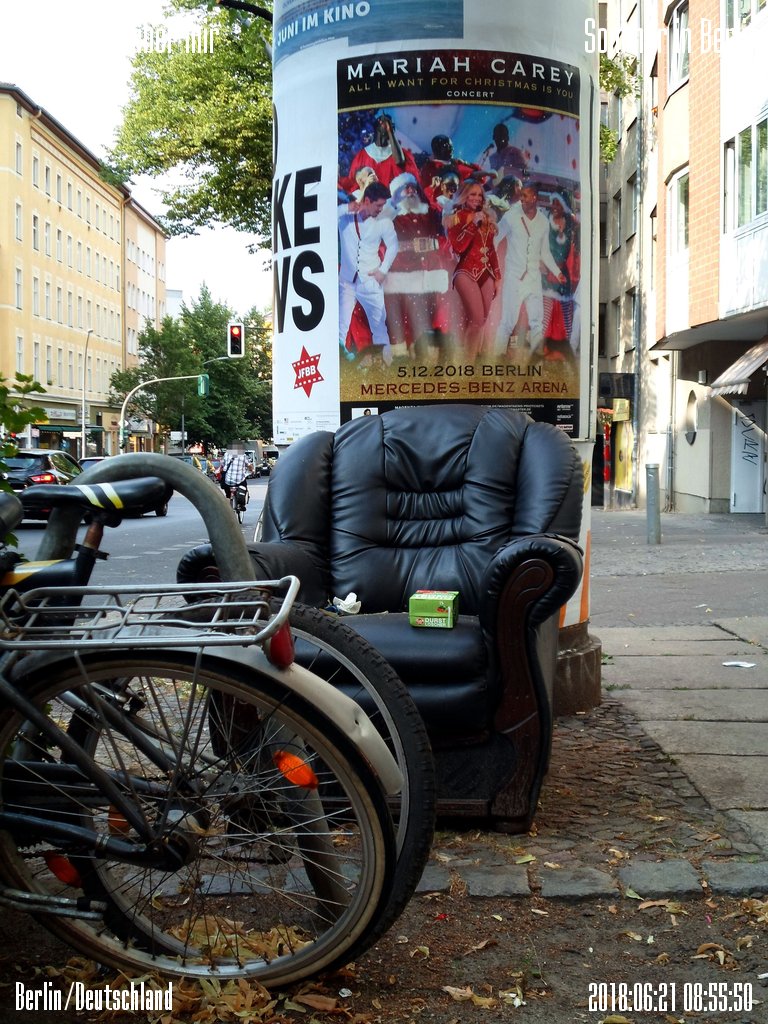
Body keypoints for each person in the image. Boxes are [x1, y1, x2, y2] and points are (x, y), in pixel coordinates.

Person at [382, 173, 450, 358]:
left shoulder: (431, 213)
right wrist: (407, 246)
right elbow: (381, 248)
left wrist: (432, 244)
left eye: (413, 187)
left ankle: (428, 357)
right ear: (396, 194)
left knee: (431, 319)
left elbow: (446, 240)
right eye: (406, 188)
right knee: (407, 321)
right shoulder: (389, 219)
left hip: (432, 275)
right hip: (402, 277)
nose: (411, 191)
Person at [494, 183, 565, 359]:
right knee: (507, 322)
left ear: (534, 198)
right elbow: (495, 238)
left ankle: (536, 361)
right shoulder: (511, 216)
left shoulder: (543, 222)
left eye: (525, 196)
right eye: (520, 195)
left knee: (537, 323)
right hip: (514, 278)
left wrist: (557, 272)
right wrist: (490, 265)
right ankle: (497, 358)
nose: (521, 199)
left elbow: (545, 252)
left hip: (533, 279)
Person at [338, 181, 399, 366]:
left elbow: (393, 246)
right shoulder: (345, 217)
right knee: (341, 325)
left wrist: (383, 270)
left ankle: (387, 365)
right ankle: (340, 365)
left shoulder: (384, 222)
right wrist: (346, 207)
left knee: (379, 326)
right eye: (378, 205)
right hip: (347, 281)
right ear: (366, 201)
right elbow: (325, 217)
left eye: (383, 205)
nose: (381, 209)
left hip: (370, 281)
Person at [444, 179, 501, 360]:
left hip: (487, 273)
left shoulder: (487, 217)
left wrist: (497, 277)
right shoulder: (455, 218)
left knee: (482, 321)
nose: (477, 198)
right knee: (476, 319)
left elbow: (491, 250)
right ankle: (467, 362)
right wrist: (472, 224)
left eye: (479, 195)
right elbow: (458, 247)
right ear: (464, 196)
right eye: (472, 194)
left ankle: (472, 359)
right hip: (465, 272)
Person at [339, 113, 420, 194]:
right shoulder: (362, 156)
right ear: (377, 128)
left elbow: (401, 163)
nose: (390, 127)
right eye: (387, 124)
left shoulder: (401, 153)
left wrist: (390, 131)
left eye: (392, 125)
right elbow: (354, 182)